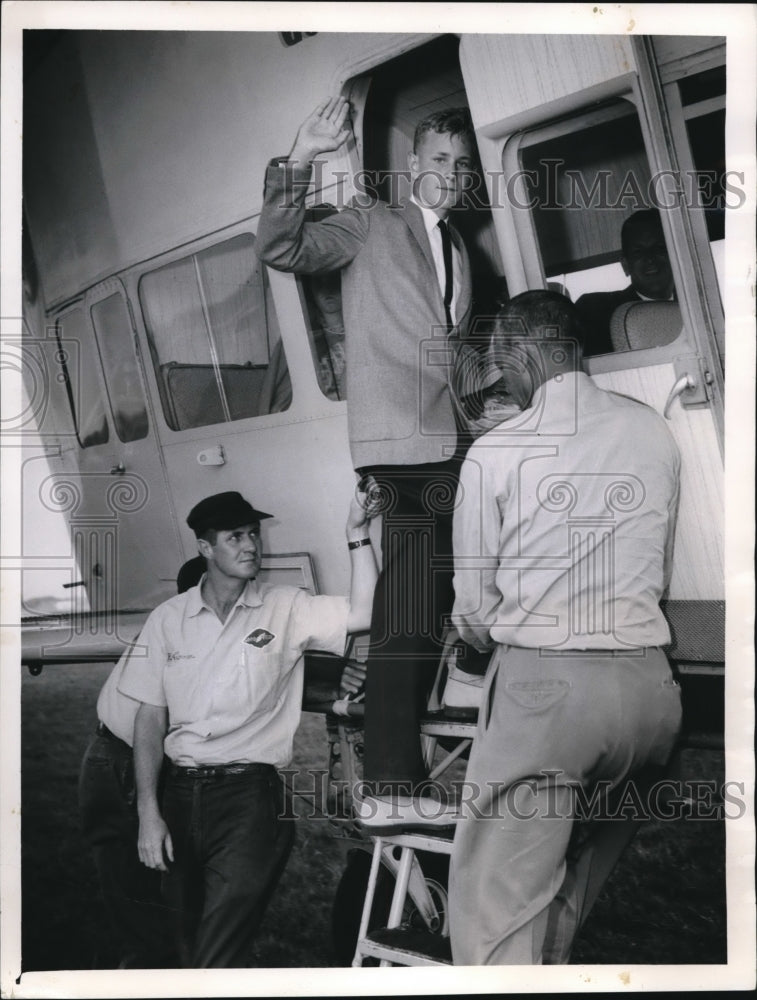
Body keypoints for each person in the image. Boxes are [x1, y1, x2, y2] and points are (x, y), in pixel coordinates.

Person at [256, 96, 477, 827]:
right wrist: (300, 157)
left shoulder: (462, 248)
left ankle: (394, 765)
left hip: (446, 443)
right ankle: (388, 777)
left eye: (461, 162)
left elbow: (447, 350)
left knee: (419, 598)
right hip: (400, 446)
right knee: (412, 601)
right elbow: (282, 249)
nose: (449, 173)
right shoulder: (370, 221)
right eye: (438, 159)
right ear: (413, 164)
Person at [448, 290, 683, 964]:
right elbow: (656, 574)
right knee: (570, 885)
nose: (501, 382)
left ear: (522, 352)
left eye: (499, 366)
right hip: (648, 697)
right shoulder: (650, 429)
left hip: (547, 698)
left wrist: (478, 636)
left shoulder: (496, 452)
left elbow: (473, 612)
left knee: (495, 915)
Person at [118, 488, 378, 968]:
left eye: (254, 534)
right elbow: (149, 718)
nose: (251, 545)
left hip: (250, 800)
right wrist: (148, 814)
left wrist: (356, 533)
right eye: (235, 536)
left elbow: (365, 612)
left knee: (219, 946)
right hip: (178, 795)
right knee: (182, 939)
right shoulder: (167, 619)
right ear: (205, 548)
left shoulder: (286, 606)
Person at [77, 557, 205, 968]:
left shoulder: (172, 623)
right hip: (123, 763)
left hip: (113, 756)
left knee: (137, 888)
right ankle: (142, 972)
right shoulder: (183, 635)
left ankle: (136, 964)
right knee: (140, 891)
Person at [575, 208, 675, 356]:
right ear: (625, 265)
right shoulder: (594, 312)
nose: (650, 258)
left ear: (675, 255)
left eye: (659, 248)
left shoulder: (697, 309)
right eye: (638, 252)